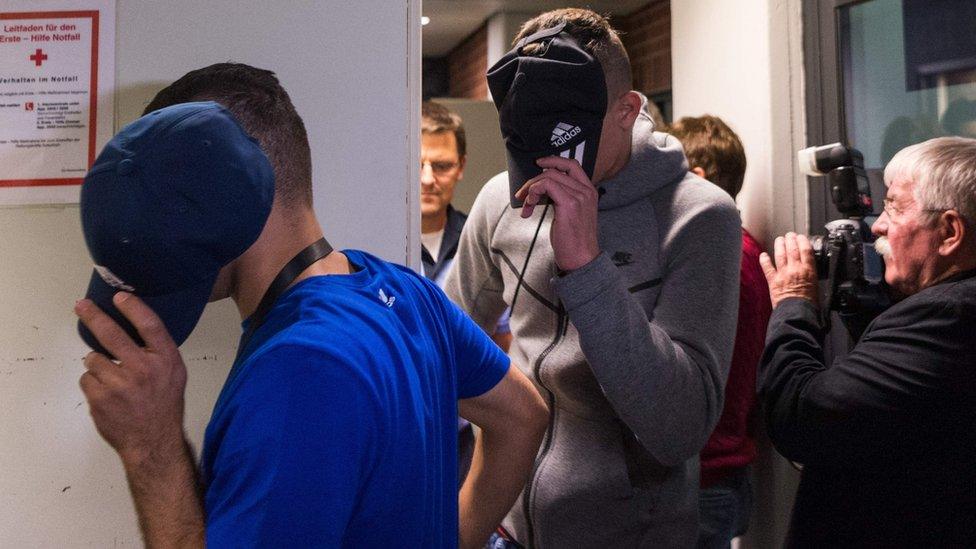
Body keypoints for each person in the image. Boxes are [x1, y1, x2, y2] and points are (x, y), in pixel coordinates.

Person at [74, 63, 548, 548]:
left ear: (236, 184)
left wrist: (151, 450)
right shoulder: (403, 290)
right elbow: (521, 414)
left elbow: (522, 417)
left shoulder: (298, 370)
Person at [446, 9, 742, 547]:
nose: (545, 156)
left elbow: (679, 428)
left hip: (630, 534)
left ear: (628, 111)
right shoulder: (501, 199)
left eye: (565, 131)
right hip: (505, 528)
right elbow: (441, 340)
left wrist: (587, 267)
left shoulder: (700, 216)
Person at [758, 136, 976, 547]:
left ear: (949, 231)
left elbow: (801, 418)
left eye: (894, 206)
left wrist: (793, 304)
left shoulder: (950, 317)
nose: (877, 225)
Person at [668, 115, 771, 548]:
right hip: (719, 476)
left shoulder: (719, 260)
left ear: (696, 178)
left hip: (703, 479)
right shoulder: (746, 249)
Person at [419, 101, 513, 488]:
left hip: (460, 442)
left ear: (460, 166)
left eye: (441, 165)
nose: (427, 178)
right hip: (392, 432)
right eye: (418, 163)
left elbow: (502, 349)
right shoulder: (372, 247)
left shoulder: (480, 245)